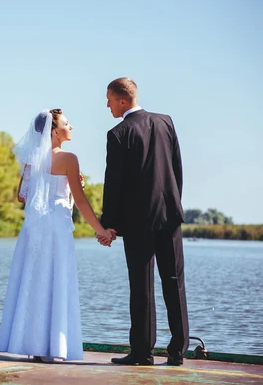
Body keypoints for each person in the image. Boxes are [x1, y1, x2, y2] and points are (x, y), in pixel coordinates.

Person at [0, 109, 114, 363]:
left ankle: (31, 343)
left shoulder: (32, 160)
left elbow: (22, 195)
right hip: (57, 227)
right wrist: (101, 230)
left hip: (35, 226)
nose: (71, 127)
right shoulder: (69, 159)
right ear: (54, 131)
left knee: (33, 280)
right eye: (67, 123)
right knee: (56, 280)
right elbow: (80, 202)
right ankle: (53, 345)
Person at [101, 78, 189, 366]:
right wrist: (175, 205)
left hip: (137, 221)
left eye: (110, 100)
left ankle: (142, 352)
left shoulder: (118, 133)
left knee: (141, 286)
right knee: (174, 283)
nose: (108, 105)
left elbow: (113, 183)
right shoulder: (166, 122)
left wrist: (109, 223)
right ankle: (178, 352)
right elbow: (176, 169)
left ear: (123, 101)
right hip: (170, 216)